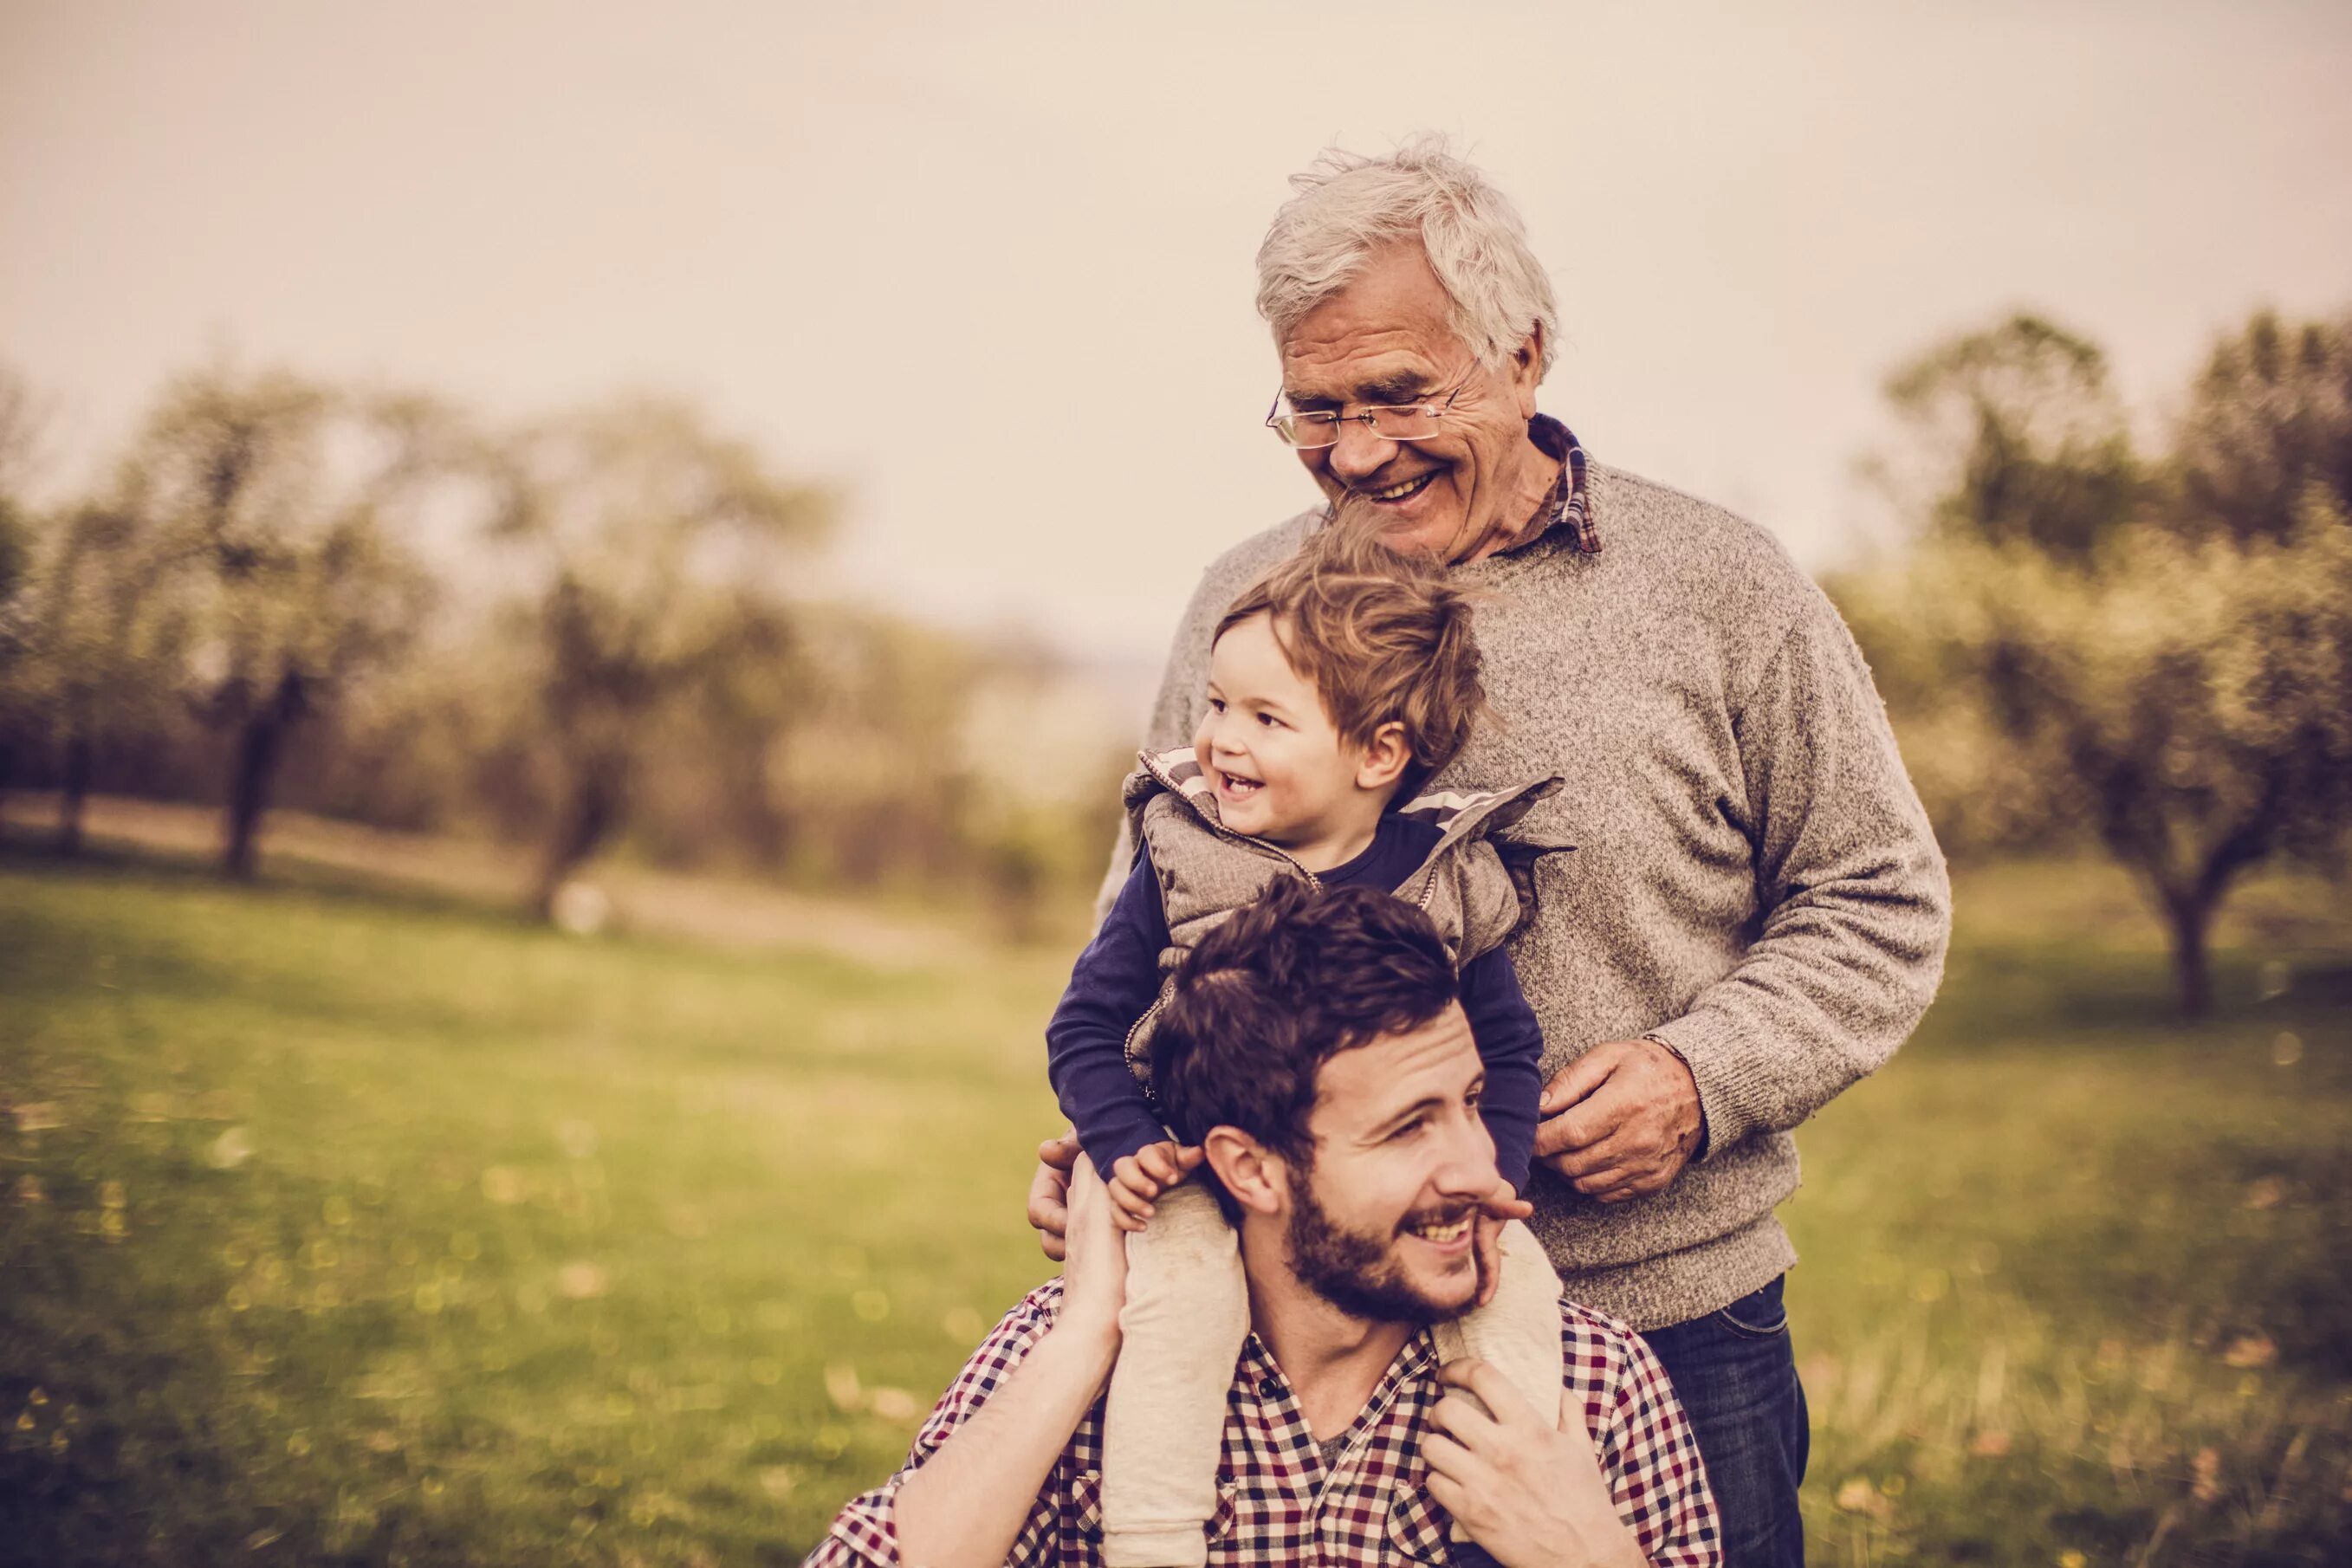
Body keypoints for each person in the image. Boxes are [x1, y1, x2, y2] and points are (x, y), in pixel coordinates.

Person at [1028, 137, 1953, 1566]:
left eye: (1399, 393)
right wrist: (1123, 1130)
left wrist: (1701, 1083)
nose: (1356, 450)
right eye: (1314, 408)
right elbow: (1153, 933)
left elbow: (1877, 899)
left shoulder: (1719, 587)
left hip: (1660, 1315)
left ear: (1524, 355)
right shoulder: (1244, 602)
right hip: (1298, 1340)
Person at [803, 882, 1721, 1568]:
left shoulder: (1592, 1388)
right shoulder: (1082, 1358)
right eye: (1408, 1127)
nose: (1484, 1171)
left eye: (1472, 1102)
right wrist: (1085, 1332)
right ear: (1250, 1166)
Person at [1045, 525, 1565, 1565]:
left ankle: (1506, 1519)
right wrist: (1122, 1139)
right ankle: (1153, 1539)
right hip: (1197, 1171)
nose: (1222, 739)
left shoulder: (1446, 874)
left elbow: (1506, 1049)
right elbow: (1085, 1022)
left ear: (1380, 752)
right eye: (1218, 704)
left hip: (1393, 1197)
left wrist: (1493, 1178)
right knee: (1180, 1308)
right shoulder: (1182, 854)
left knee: (1521, 1301)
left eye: (1266, 718)